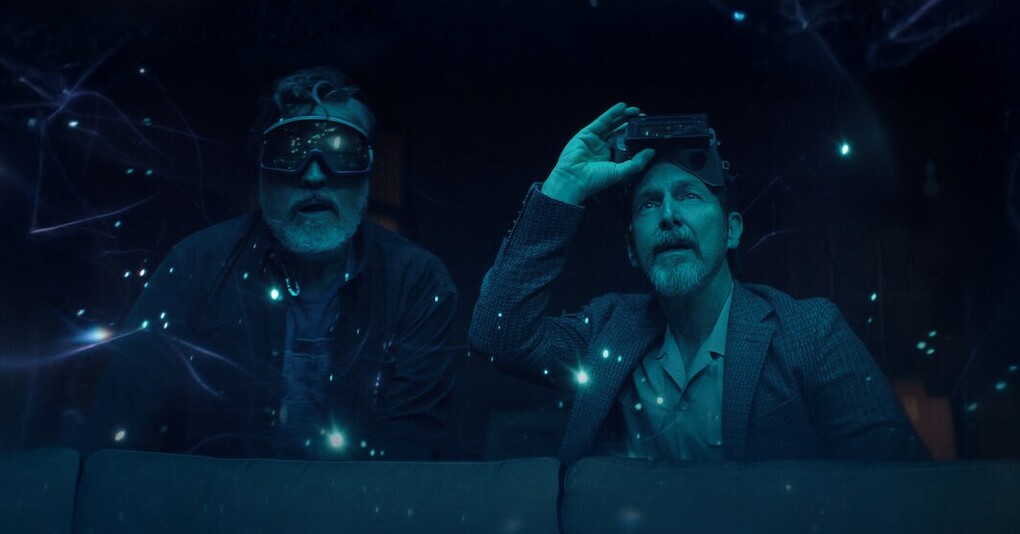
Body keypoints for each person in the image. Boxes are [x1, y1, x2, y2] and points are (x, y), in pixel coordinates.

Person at [469, 103, 929, 464]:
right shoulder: (607, 331)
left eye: (689, 196)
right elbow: (497, 334)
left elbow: (901, 483)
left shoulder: (810, 332)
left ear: (732, 231)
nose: (669, 215)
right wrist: (564, 186)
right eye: (649, 204)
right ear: (632, 248)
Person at [69, 67, 458, 460]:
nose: (314, 176)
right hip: (214, 500)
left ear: (368, 170)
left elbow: (409, 458)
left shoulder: (418, 284)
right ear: (260, 170)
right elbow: (116, 429)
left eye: (341, 152)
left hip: (360, 503)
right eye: (289, 152)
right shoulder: (195, 267)